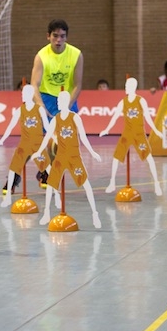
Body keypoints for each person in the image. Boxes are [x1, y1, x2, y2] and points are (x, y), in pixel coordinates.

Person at [34, 91, 102, 229]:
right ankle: (46, 213)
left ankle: (95, 214)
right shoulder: (56, 119)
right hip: (60, 157)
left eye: (60, 100)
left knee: (86, 184)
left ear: (65, 101)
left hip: (73, 157)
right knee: (51, 184)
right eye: (58, 100)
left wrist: (92, 152)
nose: (58, 103)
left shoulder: (75, 118)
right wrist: (39, 151)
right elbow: (47, 137)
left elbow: (83, 137)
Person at [98, 77, 163, 196]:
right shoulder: (123, 102)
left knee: (149, 158)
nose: (125, 88)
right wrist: (107, 129)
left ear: (133, 87)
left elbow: (148, 118)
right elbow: (115, 117)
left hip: (139, 134)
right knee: (116, 157)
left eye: (127, 86)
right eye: (125, 86)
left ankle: (156, 184)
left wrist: (156, 131)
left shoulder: (141, 101)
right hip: (127, 134)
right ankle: (112, 183)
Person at [0, 84, 51, 208]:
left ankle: (45, 176)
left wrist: (54, 135)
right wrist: (2, 139)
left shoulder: (39, 109)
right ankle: (11, 183)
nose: (22, 96)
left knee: (47, 164)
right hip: (25, 143)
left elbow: (47, 126)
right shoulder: (20, 110)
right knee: (15, 165)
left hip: (38, 143)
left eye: (24, 93)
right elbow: (10, 125)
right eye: (22, 93)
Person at [31, 19, 84, 118]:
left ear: (66, 37)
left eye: (62, 36)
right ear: (48, 36)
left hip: (67, 97)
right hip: (47, 98)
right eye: (55, 36)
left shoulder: (77, 55)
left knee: (68, 127)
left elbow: (77, 85)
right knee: (46, 127)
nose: (58, 40)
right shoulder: (40, 56)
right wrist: (40, 105)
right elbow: (34, 84)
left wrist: (67, 106)